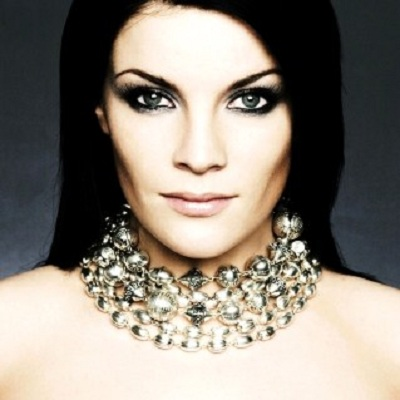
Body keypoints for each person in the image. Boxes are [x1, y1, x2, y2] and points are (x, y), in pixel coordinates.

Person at [1, 0, 399, 398]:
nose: (199, 156)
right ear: (101, 110)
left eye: (251, 100)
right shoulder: (11, 335)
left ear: (304, 116)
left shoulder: (388, 340)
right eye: (151, 99)